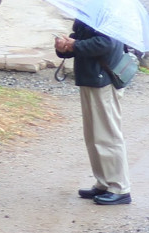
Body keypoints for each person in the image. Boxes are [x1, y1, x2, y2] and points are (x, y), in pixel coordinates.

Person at [53, 20, 134, 205]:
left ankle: (120, 187)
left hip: (103, 79)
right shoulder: (90, 11)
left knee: (107, 134)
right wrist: (65, 46)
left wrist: (75, 44)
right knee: (94, 135)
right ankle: (104, 183)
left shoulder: (107, 13)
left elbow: (106, 43)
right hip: (91, 77)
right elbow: (82, 39)